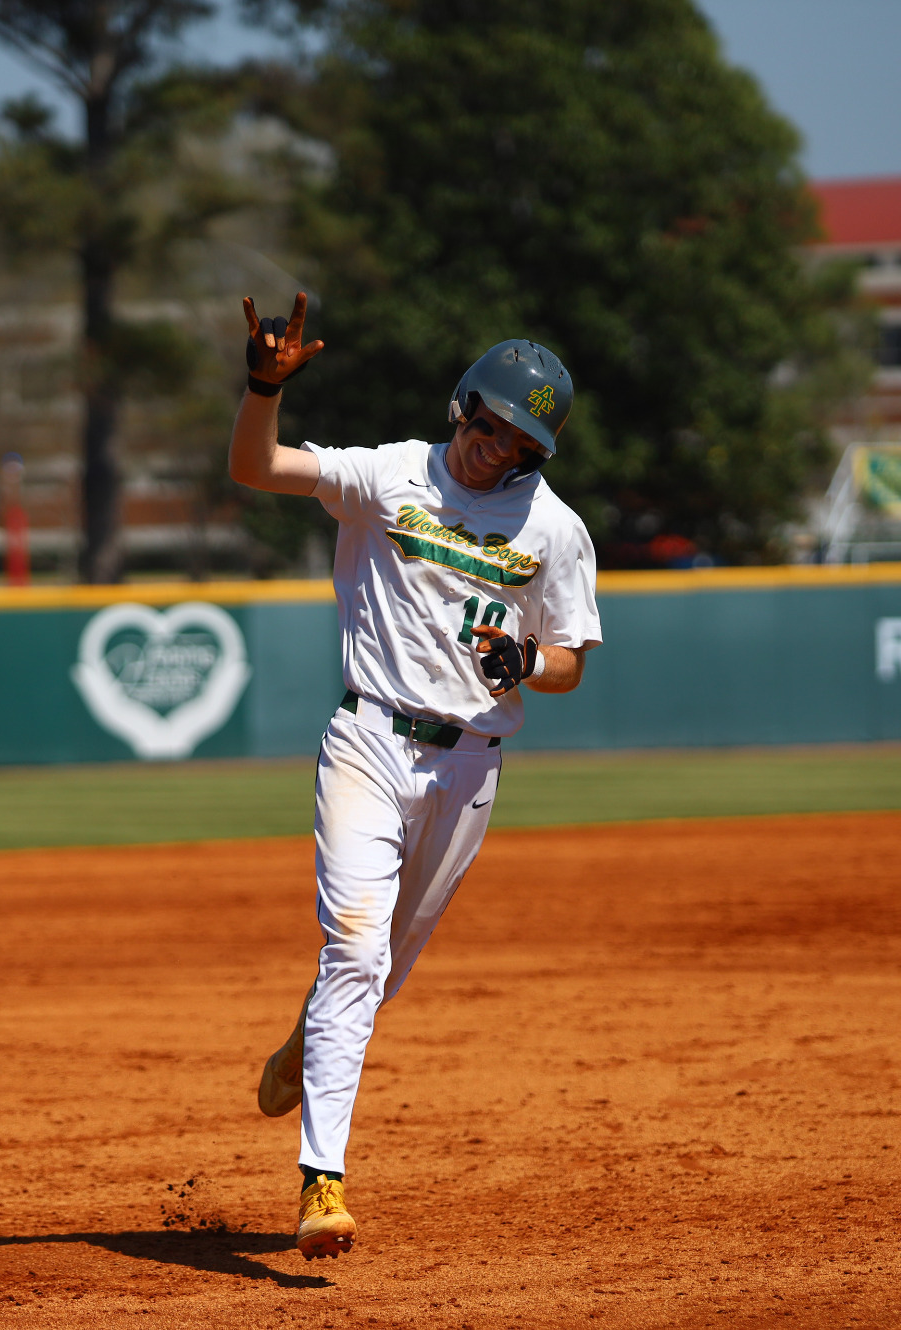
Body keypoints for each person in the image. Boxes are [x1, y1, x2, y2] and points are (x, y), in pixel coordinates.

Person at [228, 293, 602, 1260]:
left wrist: (531, 666)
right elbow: (256, 467)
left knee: (381, 969)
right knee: (353, 950)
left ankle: (306, 1049)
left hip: (470, 766)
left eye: (516, 439)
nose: (494, 447)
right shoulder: (387, 475)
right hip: (368, 741)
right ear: (462, 409)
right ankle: (322, 1183)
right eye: (486, 424)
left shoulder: (552, 530)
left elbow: (571, 659)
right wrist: (264, 388)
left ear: (534, 452)